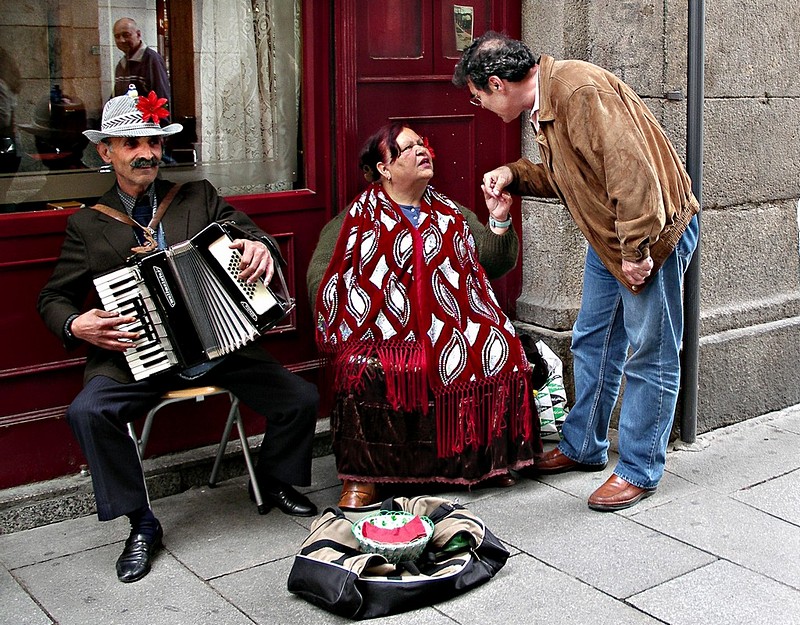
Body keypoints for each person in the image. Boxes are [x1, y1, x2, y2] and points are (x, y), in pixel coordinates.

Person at [37, 90, 319, 583]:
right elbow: (53, 297)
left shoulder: (197, 197)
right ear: (106, 151)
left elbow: (254, 236)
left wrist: (258, 246)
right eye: (132, 143)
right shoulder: (88, 224)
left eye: (153, 142)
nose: (146, 153)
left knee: (300, 398)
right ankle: (141, 523)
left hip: (217, 348)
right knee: (88, 412)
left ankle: (276, 480)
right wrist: (75, 324)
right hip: (136, 355)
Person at [453, 32, 700, 511]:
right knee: (593, 339)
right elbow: (572, 174)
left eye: (477, 95)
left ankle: (639, 468)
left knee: (649, 352)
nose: (478, 105)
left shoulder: (578, 90)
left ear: (497, 84)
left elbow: (632, 174)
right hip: (611, 237)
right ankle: (584, 444)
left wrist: (636, 251)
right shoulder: (549, 100)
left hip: (647, 236)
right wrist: (515, 174)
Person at [307, 122, 540, 510]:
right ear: (384, 168)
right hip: (383, 332)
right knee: (366, 366)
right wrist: (361, 311)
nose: (421, 151)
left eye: (422, 144)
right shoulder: (354, 219)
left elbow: (496, 261)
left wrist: (499, 219)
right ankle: (364, 478)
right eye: (407, 148)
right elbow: (322, 276)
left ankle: (486, 462)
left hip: (451, 324)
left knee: (497, 343)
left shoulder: (451, 212)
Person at [112, 17, 171, 112]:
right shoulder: (122, 64)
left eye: (126, 35)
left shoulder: (152, 60)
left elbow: (162, 100)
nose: (121, 40)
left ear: (138, 35)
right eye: (117, 36)